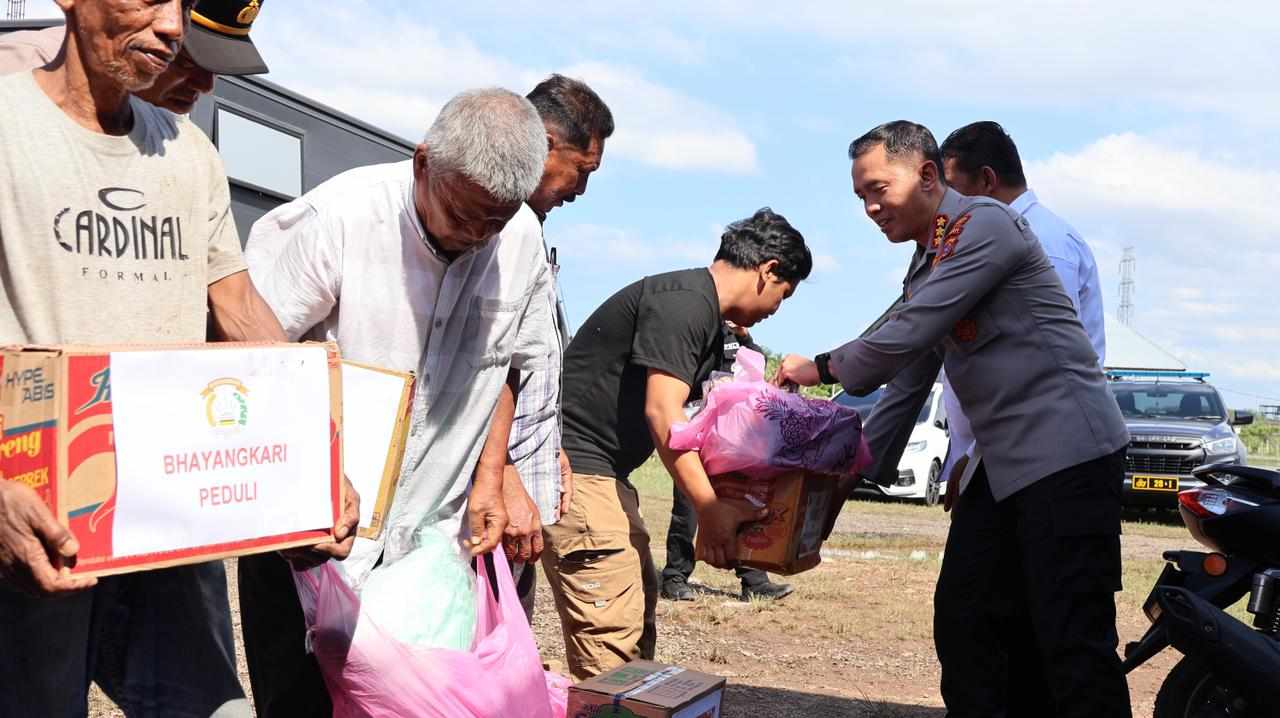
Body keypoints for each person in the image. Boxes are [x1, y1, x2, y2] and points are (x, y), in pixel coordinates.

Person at [0, 1, 355, 716]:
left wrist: (311, 458)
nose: (170, 25)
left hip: (169, 520)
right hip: (36, 514)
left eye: (180, 5)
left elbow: (238, 307)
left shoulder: (188, 152)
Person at [775, 121, 1131, 718]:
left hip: (1068, 453)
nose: (870, 208)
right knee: (968, 622)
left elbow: (905, 333)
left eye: (878, 189)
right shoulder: (929, 258)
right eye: (861, 196)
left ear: (927, 175)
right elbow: (910, 374)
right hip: (1001, 461)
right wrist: (848, 472)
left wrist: (822, 366)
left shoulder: (985, 224)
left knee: (1070, 638)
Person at [241, 87, 553, 717]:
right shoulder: (339, 219)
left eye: (493, 222)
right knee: (300, 702)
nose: (476, 236)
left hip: (432, 535)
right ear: (422, 163)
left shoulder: (519, 239)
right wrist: (309, 478)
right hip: (315, 533)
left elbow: (508, 365)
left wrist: (492, 476)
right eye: (463, 215)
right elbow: (250, 353)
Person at [545, 208, 812, 680]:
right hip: (579, 471)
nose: (776, 309)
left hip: (606, 476)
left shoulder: (705, 314)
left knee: (635, 628)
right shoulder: (685, 303)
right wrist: (709, 509)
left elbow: (707, 423)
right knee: (611, 647)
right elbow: (663, 412)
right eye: (784, 295)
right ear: (768, 271)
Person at [936, 120, 1107, 505]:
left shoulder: (1044, 241)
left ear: (986, 180)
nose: (948, 206)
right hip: (999, 452)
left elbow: (1040, 365)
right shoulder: (991, 237)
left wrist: (975, 454)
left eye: (954, 190)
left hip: (1038, 454)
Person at [503, 74, 614, 622]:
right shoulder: (500, 228)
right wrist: (500, 471)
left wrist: (547, 443)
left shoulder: (528, 227)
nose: (580, 191)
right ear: (545, 144)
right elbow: (487, 367)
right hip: (493, 495)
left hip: (517, 483)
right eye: (581, 170)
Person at [660, 321, 795, 602]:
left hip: (729, 439)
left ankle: (754, 582)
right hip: (693, 431)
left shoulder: (735, 335)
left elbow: (756, 363)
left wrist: (743, 335)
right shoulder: (695, 325)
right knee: (688, 510)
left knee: (741, 505)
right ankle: (675, 578)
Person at [0, 0, 270, 113]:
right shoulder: (23, 72)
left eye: (217, 70)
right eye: (188, 61)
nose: (206, 86)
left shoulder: (175, 140)